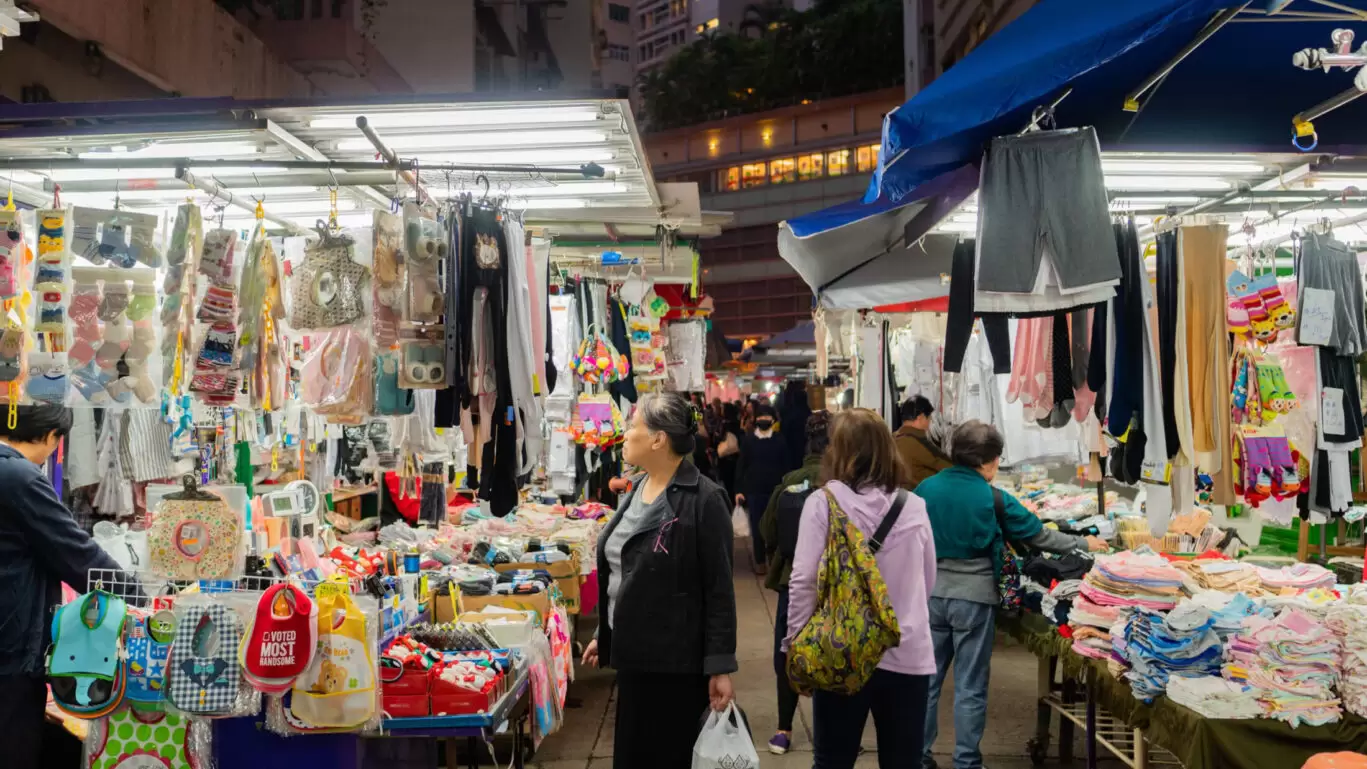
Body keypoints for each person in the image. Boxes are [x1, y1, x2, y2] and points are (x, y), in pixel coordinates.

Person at [915, 421, 1107, 769]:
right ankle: (967, 762)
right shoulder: (994, 498)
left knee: (927, 683)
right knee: (970, 686)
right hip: (974, 600)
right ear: (988, 461)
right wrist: (1083, 542)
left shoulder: (925, 490)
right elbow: (1039, 537)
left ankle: (920, 757)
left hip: (930, 596)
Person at [583, 393, 737, 769]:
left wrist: (719, 666)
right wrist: (605, 631)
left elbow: (719, 590)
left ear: (658, 439)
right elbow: (625, 570)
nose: (625, 434)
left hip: (676, 667)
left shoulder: (704, 499)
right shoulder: (636, 490)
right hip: (633, 662)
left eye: (634, 426)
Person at [785, 408, 937, 769]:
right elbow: (927, 579)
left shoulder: (822, 503)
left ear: (837, 451)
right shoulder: (915, 506)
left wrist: (794, 641)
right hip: (906, 650)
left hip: (841, 649)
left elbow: (803, 580)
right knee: (903, 762)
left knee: (832, 760)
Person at [0, 405, 130, 769]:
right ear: (51, 437)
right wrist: (141, 600)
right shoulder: (18, 478)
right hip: (10, 647)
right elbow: (77, 555)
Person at [758, 410, 830, 755]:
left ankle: (783, 730)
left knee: (787, 653)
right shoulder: (845, 484)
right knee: (834, 651)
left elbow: (767, 530)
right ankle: (831, 732)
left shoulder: (790, 480)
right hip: (835, 585)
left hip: (792, 582)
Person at [734, 403, 789, 573]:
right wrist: (739, 490)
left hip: (775, 490)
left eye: (766, 417)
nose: (763, 420)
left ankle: (773, 560)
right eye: (760, 417)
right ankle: (759, 561)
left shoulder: (780, 440)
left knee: (774, 527)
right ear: (755, 419)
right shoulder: (749, 440)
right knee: (757, 527)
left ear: (773, 420)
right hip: (754, 490)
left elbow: (786, 466)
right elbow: (741, 466)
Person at [894, 395, 953, 490]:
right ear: (921, 417)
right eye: (929, 418)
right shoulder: (919, 442)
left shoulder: (891, 438)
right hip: (919, 496)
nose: (930, 422)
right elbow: (949, 467)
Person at [779, 380, 813, 469]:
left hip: (791, 450)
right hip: (806, 449)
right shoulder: (809, 414)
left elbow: (784, 432)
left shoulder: (789, 414)